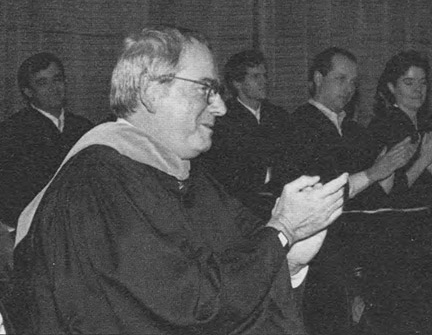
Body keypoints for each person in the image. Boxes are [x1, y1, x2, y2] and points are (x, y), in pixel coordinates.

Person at [10, 26, 348, 334]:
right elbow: (185, 308)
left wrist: (291, 258)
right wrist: (282, 231)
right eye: (206, 89)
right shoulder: (98, 182)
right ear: (151, 92)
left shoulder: (189, 176)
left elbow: (241, 261)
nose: (220, 107)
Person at [285, 47, 417, 335]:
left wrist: (391, 168)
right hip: (323, 241)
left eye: (354, 82)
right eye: (341, 79)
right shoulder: (299, 125)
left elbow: (379, 191)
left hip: (361, 237)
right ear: (318, 79)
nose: (348, 89)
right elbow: (320, 192)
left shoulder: (356, 131)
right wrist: (374, 173)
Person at [367, 51, 432, 334]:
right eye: (409, 82)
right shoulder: (384, 126)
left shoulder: (427, 126)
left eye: (423, 83)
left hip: (427, 214)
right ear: (391, 87)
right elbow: (388, 193)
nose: (418, 90)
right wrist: (424, 161)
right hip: (397, 222)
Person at [0, 52, 93, 230]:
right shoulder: (11, 132)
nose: (53, 88)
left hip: (81, 224)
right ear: (28, 92)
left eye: (57, 79)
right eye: (42, 83)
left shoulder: (84, 128)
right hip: (32, 229)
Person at [201, 49, 290, 217]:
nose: (264, 81)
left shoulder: (279, 116)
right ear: (237, 83)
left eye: (265, 75)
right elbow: (228, 174)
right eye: (256, 76)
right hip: (241, 208)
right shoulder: (223, 120)